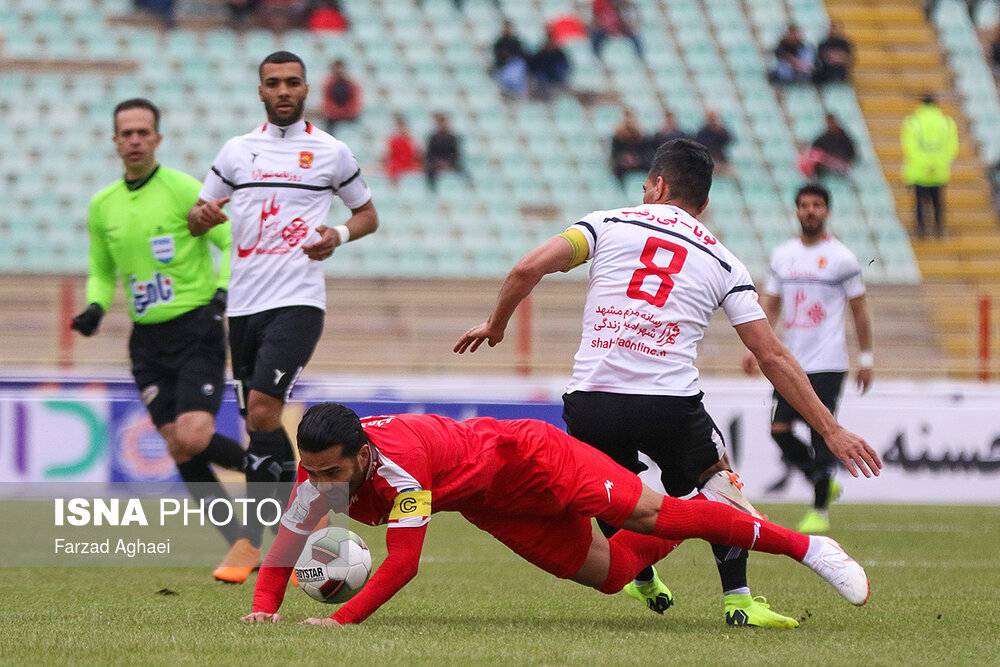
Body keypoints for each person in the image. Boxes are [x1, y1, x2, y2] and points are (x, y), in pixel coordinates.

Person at [455, 139, 881, 627]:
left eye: (645, 186)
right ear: (704, 204)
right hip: (667, 404)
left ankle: (640, 577)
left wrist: (496, 324)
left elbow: (526, 268)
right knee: (718, 483)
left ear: (657, 185)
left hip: (592, 400)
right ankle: (738, 601)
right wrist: (830, 429)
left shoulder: (605, 223)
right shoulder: (723, 261)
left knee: (614, 494)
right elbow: (771, 354)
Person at [241, 403, 875, 626]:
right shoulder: (315, 473)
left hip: (534, 459)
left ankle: (806, 548)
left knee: (655, 517)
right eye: (312, 470)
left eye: (331, 472)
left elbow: (404, 564)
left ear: (364, 454)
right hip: (493, 506)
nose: (320, 483)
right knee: (616, 573)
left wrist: (342, 622)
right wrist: (263, 611)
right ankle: (708, 507)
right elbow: (285, 544)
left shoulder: (401, 467)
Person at [187, 51, 379, 583]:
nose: (284, 90)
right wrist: (200, 217)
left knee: (266, 411)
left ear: (307, 89)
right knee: (258, 425)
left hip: (297, 303)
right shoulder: (236, 152)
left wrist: (337, 235)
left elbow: (367, 215)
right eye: (273, 83)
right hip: (243, 306)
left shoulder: (331, 152)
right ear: (261, 92)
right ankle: (282, 531)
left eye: (292, 82)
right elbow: (200, 216)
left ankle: (253, 541)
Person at [71, 98, 249, 573]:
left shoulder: (182, 189)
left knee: (193, 435)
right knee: (175, 445)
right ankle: (241, 543)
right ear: (114, 140)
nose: (134, 140)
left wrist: (222, 293)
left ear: (157, 139)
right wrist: (94, 305)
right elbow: (101, 270)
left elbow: (229, 239)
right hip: (145, 342)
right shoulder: (102, 205)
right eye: (125, 133)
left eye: (142, 132)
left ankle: (279, 474)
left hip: (196, 328)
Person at [742, 183, 873, 534]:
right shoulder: (783, 255)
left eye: (816, 205)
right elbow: (769, 306)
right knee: (779, 429)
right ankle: (821, 477)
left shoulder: (842, 258)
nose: (810, 210)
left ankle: (819, 510)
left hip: (829, 361)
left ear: (827, 211)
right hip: (791, 360)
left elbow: (859, 312)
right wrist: (755, 348)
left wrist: (866, 357)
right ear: (797, 211)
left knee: (821, 432)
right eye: (804, 205)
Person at [900, 93, 958, 238]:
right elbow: (952, 147)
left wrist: (923, 163)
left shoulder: (913, 122)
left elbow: (909, 147)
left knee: (920, 202)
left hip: (918, 170)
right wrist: (937, 162)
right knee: (938, 202)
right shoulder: (946, 122)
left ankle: (921, 230)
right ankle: (939, 228)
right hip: (939, 170)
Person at [798, 113, 856, 179]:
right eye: (829, 122)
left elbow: (851, 153)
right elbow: (814, 153)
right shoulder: (821, 139)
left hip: (841, 166)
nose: (831, 124)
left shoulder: (844, 138)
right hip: (826, 168)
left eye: (833, 122)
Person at [424, 112, 470, 190]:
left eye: (443, 122)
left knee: (463, 170)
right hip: (436, 163)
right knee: (429, 170)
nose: (442, 125)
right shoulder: (432, 137)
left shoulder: (452, 137)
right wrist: (438, 163)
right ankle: (432, 190)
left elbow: (455, 153)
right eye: (440, 123)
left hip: (450, 162)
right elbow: (429, 154)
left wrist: (448, 164)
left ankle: (466, 188)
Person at [320, 60, 362, 135]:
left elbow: (355, 102)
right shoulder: (328, 85)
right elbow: (327, 103)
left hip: (350, 116)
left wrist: (346, 112)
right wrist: (337, 112)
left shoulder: (351, 85)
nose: (339, 72)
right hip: (333, 118)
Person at [529, 29, 571, 100]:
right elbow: (534, 65)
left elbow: (565, 65)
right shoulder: (541, 53)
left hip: (555, 75)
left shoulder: (559, 53)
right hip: (544, 76)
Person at [491, 19, 529, 99]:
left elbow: (522, 55)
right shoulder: (499, 43)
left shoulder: (516, 42)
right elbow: (498, 57)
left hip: (515, 66)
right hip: (503, 67)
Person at [383, 113, 422, 185]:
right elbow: (388, 154)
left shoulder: (411, 140)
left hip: (409, 162)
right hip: (397, 163)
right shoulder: (392, 140)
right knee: (392, 168)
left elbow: (416, 154)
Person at [610, 108, 646, 187]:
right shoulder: (617, 136)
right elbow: (614, 153)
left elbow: (645, 151)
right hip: (623, 166)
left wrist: (636, 159)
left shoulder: (640, 135)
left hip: (639, 164)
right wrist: (624, 159)